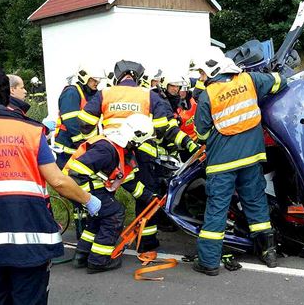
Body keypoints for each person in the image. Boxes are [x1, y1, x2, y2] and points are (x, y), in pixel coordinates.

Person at [0, 65, 102, 304]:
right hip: (30, 241)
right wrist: (89, 200)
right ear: (6, 94)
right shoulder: (30, 131)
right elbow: (58, 180)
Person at [78, 60, 198, 253]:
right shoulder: (147, 94)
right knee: (145, 197)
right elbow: (164, 128)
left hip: (110, 153)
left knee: (104, 199)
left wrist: (95, 142)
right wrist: (188, 144)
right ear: (139, 77)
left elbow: (84, 122)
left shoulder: (105, 93)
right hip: (142, 153)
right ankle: (145, 242)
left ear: (116, 77)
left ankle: (86, 248)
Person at [190, 47, 287, 276]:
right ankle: (269, 253)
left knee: (216, 211)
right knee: (255, 203)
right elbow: (279, 82)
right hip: (252, 157)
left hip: (221, 164)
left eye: (202, 73)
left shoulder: (208, 96)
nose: (201, 78)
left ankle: (209, 262)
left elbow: (202, 134)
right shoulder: (250, 80)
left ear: (213, 70)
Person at [63, 114, 156, 273]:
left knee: (99, 217)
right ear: (135, 138)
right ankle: (99, 261)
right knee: (114, 214)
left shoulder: (120, 149)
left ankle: (82, 255)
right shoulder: (106, 148)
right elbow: (77, 172)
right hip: (76, 186)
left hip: (82, 187)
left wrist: (149, 197)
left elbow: (128, 181)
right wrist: (88, 198)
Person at [55, 65, 103, 239]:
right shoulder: (72, 92)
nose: (96, 83)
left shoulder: (91, 94)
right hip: (69, 151)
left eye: (98, 81)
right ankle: (81, 232)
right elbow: (72, 121)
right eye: (93, 80)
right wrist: (83, 143)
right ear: (84, 78)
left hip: (81, 149)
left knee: (83, 190)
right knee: (74, 190)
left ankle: (87, 230)